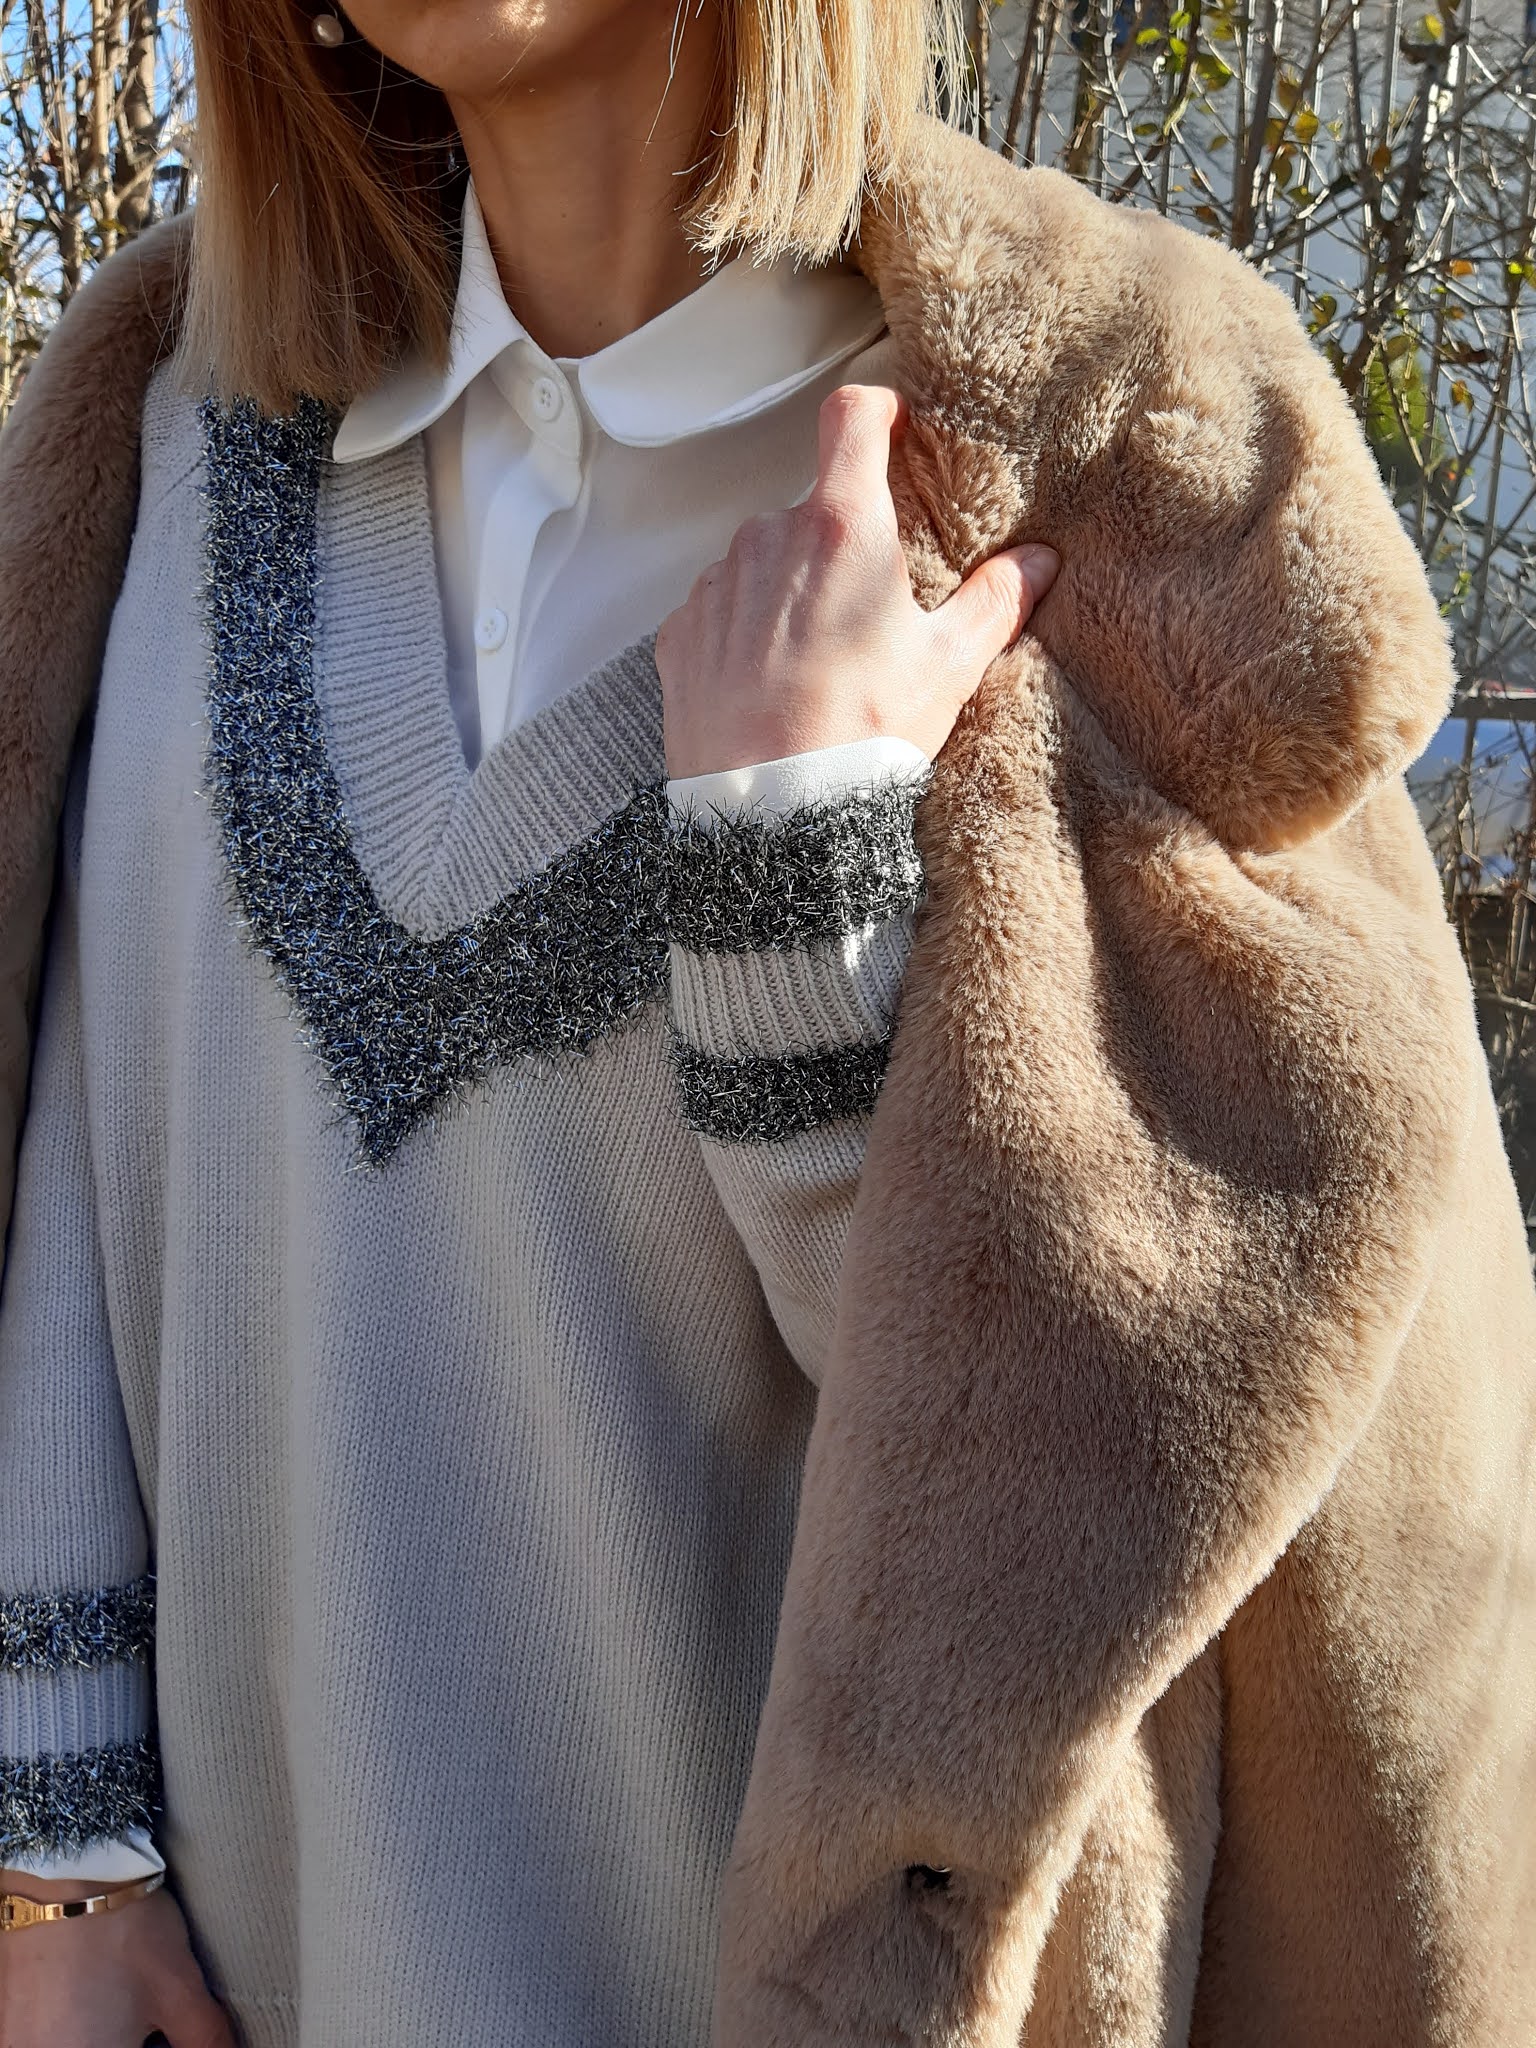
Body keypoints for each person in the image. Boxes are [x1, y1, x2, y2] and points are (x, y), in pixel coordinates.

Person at [0, 0, 1531, 2044]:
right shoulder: (171, 437)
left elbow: (1159, 1495)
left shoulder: (1092, 488)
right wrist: (60, 1858)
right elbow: (68, 1165)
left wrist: (795, 908)